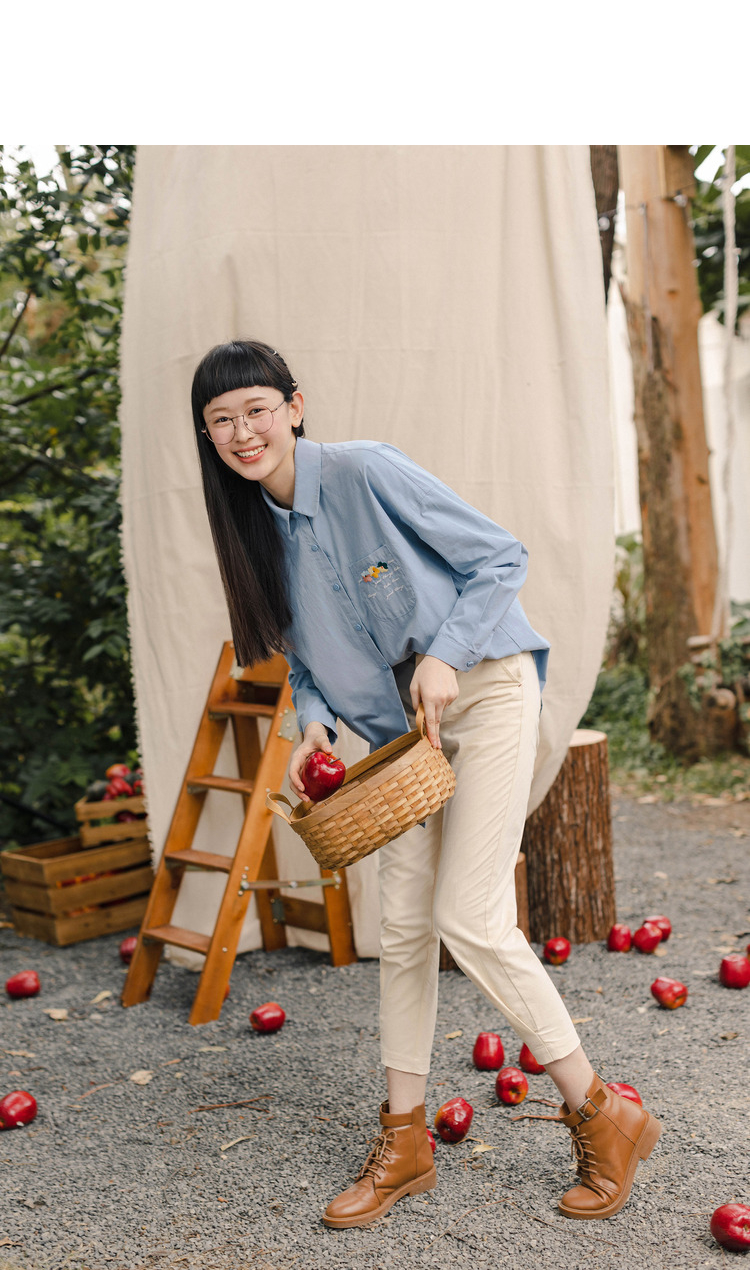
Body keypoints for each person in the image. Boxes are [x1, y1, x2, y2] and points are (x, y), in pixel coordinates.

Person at [191, 338, 661, 1230]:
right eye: (221, 421)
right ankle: (405, 1140)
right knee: (401, 928)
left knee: (468, 916)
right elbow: (307, 671)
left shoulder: (365, 473)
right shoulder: (254, 537)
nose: (242, 432)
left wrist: (445, 654)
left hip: (483, 693)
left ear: (295, 405)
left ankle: (606, 1112)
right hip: (397, 749)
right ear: (209, 439)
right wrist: (316, 728)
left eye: (256, 409)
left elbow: (499, 556)